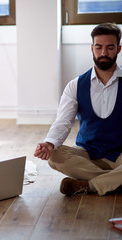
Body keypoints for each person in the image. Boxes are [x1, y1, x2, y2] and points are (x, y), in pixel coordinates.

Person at [34, 23, 122, 196]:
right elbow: (63, 121)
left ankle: (88, 185)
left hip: (119, 155)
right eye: (99, 47)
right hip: (86, 154)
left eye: (110, 48)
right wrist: (50, 143)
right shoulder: (75, 85)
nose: (104, 53)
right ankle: (113, 182)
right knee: (55, 155)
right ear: (92, 48)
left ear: (118, 49)